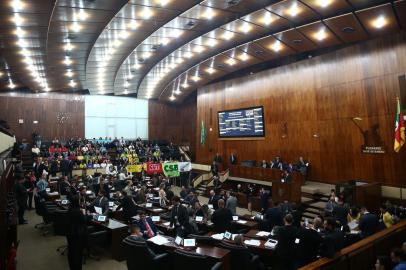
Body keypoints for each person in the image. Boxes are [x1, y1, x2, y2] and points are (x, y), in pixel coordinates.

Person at [66, 195, 87, 270]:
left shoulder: (70, 209)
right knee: (78, 254)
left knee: (71, 252)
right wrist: (84, 213)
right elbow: (84, 220)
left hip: (70, 234)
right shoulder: (78, 212)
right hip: (77, 235)